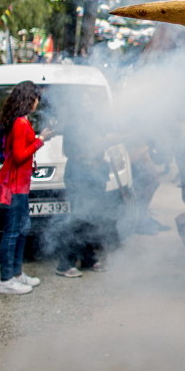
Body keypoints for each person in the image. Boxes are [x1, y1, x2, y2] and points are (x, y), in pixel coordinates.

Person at [0, 81, 53, 294]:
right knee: (13, 233)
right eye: (36, 98)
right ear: (30, 99)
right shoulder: (20, 123)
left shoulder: (19, 121)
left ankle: (16, 274)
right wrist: (40, 140)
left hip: (19, 185)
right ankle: (6, 280)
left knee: (21, 231)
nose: (37, 103)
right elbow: (18, 156)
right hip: (13, 186)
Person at [55, 95, 120, 277]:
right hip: (80, 177)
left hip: (95, 178)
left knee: (91, 219)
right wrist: (94, 151)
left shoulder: (96, 125)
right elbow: (76, 152)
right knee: (77, 220)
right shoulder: (74, 127)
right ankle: (65, 263)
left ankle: (88, 258)